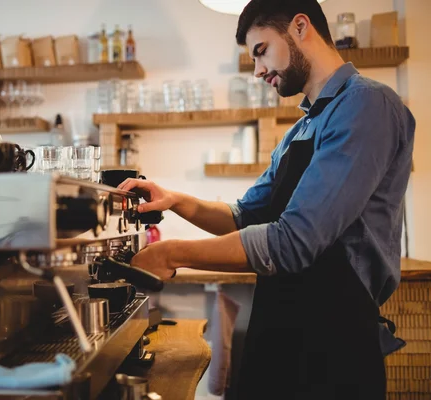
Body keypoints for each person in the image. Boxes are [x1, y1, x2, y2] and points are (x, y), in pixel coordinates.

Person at [120, 0, 415, 398]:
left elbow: (294, 241)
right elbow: (244, 216)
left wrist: (172, 254)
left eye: (260, 51)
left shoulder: (366, 104)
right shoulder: (300, 131)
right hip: (280, 331)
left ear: (299, 26)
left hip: (335, 346)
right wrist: (174, 200)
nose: (257, 70)